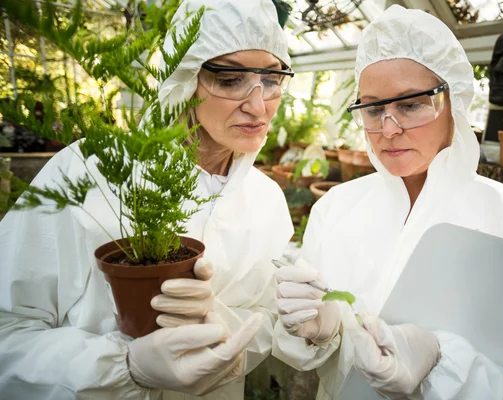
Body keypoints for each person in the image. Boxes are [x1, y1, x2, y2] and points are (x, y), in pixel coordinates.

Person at [272, 5, 503, 399]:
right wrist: (319, 331)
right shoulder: (335, 208)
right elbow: (309, 362)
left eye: (411, 104)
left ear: (455, 102)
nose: (388, 129)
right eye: (372, 107)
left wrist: (443, 363)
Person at [0, 0, 294, 398]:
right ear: (185, 79)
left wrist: (219, 326)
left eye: (272, 80)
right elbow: (10, 328)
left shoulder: (267, 200)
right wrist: (124, 366)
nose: (259, 106)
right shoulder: (91, 169)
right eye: (229, 80)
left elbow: (264, 321)